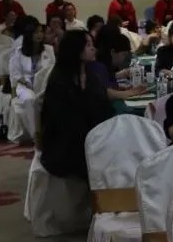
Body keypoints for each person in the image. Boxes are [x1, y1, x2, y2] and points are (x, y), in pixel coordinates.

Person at [40, 30, 113, 181]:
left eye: (92, 44)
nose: (93, 49)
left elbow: (103, 106)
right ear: (75, 49)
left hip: (92, 136)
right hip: (67, 143)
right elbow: (61, 122)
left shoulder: (91, 76)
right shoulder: (60, 81)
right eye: (88, 45)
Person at [90, 26, 148, 109]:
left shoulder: (107, 64)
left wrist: (119, 88)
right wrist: (129, 93)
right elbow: (104, 92)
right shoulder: (98, 65)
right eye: (123, 54)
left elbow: (108, 84)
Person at [9, 20, 51, 103]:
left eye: (41, 32)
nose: (39, 34)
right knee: (31, 98)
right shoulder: (19, 52)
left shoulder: (49, 50)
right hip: (25, 85)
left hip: (43, 86)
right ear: (29, 34)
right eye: (36, 32)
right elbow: (15, 74)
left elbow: (51, 70)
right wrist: (27, 84)